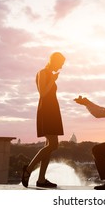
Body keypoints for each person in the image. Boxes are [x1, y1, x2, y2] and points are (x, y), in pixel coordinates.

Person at [21, 52, 66, 188]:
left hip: (52, 110)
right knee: (53, 145)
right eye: (60, 64)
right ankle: (28, 169)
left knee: (49, 145)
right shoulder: (43, 73)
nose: (61, 67)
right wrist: (53, 80)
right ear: (53, 61)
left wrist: (53, 79)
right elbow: (43, 93)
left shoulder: (49, 74)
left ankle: (41, 179)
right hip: (46, 110)